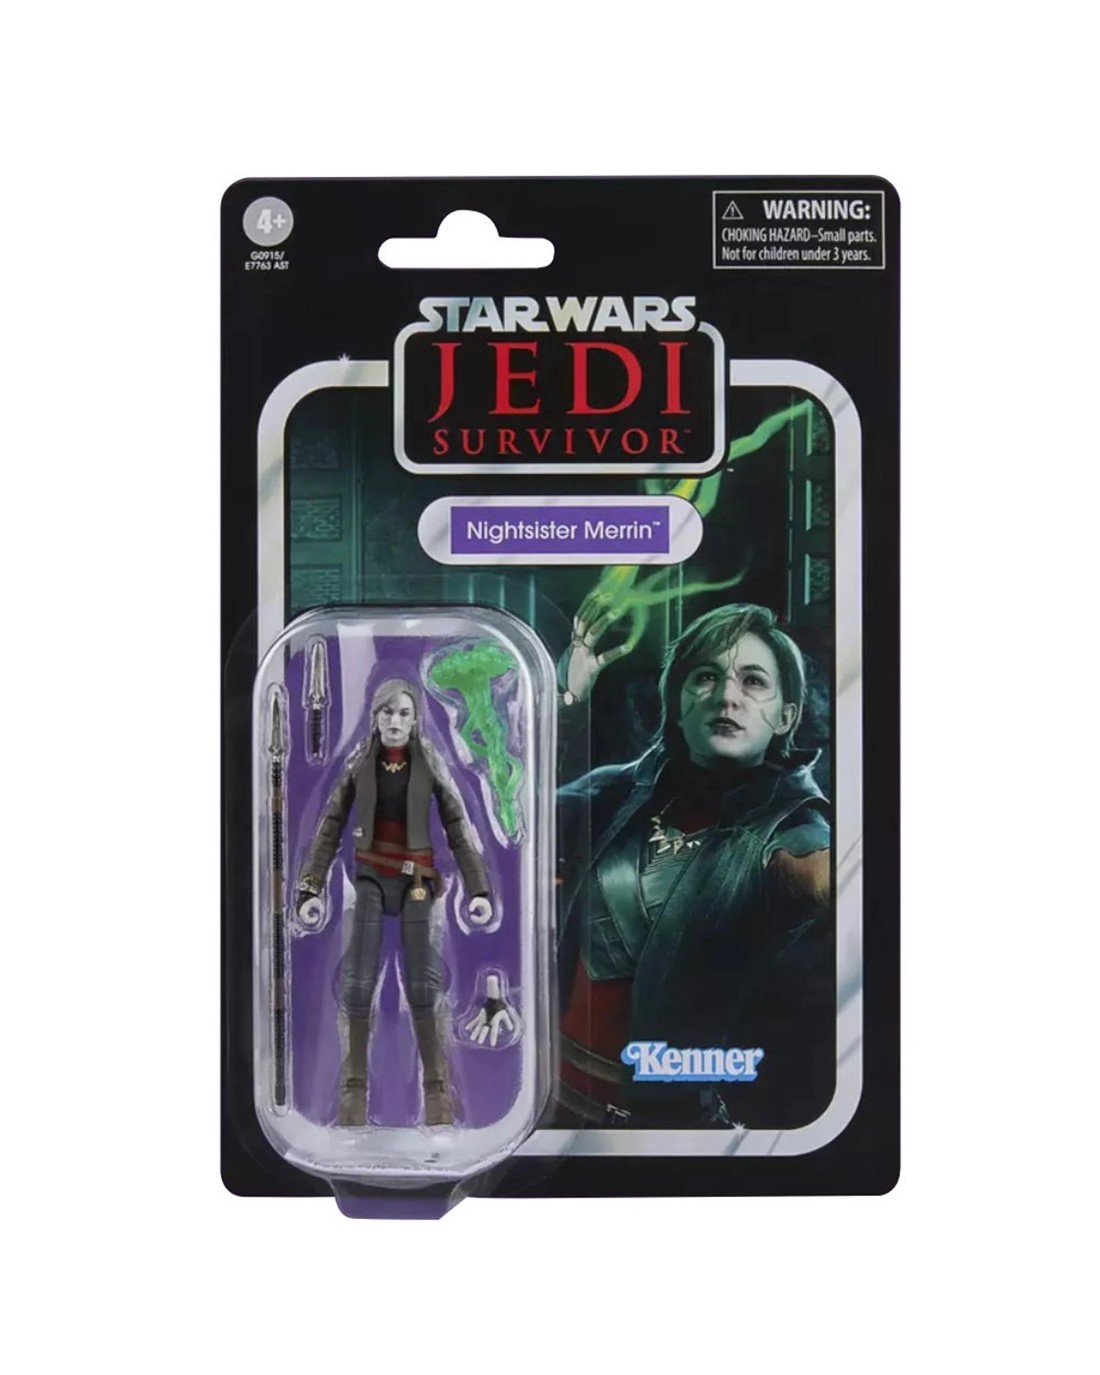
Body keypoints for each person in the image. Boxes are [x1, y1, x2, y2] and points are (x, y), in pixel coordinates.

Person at [556, 603, 833, 1128]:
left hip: (668, 1129)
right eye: (705, 676)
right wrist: (568, 703)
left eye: (754, 681)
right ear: (678, 703)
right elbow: (506, 817)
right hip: (549, 1105)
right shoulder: (619, 792)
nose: (727, 695)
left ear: (786, 716)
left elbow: (822, 875)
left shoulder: (792, 829)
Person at [295, 678, 493, 1127]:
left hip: (417, 882)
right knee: (356, 984)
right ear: (375, 717)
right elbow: (330, 826)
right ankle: (352, 1092)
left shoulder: (430, 764)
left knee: (423, 985)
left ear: (416, 718)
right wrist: (310, 887)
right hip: (369, 879)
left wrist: (478, 889)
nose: (395, 721)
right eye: (387, 712)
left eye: (403, 713)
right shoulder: (359, 765)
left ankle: (438, 1092)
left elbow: (458, 825)